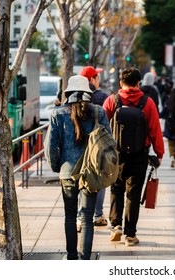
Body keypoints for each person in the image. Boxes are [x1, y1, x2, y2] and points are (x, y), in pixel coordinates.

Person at [44, 75, 111, 260]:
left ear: (68, 93)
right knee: (87, 218)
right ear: (88, 93)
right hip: (92, 173)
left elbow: (51, 147)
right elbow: (108, 142)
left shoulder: (57, 114)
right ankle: (85, 259)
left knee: (69, 217)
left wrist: (57, 167)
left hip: (67, 173)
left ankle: (72, 256)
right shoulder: (99, 112)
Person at [103, 67, 164, 246]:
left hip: (116, 154)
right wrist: (159, 153)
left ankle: (116, 226)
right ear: (139, 84)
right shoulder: (148, 102)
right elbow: (155, 130)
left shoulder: (111, 100)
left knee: (116, 188)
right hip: (139, 155)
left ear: (121, 82)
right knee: (133, 193)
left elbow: (102, 126)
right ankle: (130, 235)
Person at [78, 66, 109, 229]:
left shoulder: (73, 98)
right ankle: (97, 215)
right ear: (91, 80)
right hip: (98, 147)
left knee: (80, 179)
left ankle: (80, 216)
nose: (98, 80)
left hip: (79, 146)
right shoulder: (102, 97)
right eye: (97, 77)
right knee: (100, 179)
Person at [159, 88, 175, 167]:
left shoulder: (168, 103)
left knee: (171, 143)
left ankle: (172, 156)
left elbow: (162, 114)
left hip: (169, 127)